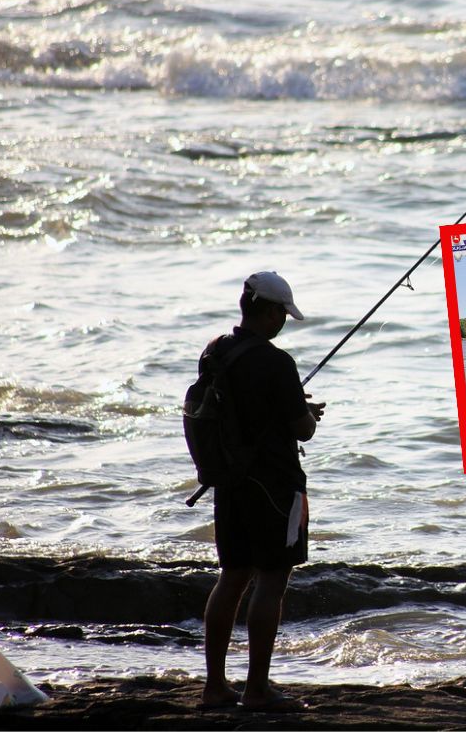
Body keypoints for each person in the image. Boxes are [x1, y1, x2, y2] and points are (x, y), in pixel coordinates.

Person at [200, 271, 325, 710]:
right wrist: (306, 412)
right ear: (270, 311)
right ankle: (256, 689)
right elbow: (302, 430)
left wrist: (292, 404)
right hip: (274, 485)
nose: (284, 322)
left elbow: (237, 409)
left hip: (230, 482)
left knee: (231, 578)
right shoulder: (277, 363)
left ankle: (214, 687)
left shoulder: (216, 351)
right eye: (283, 314)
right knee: (271, 580)